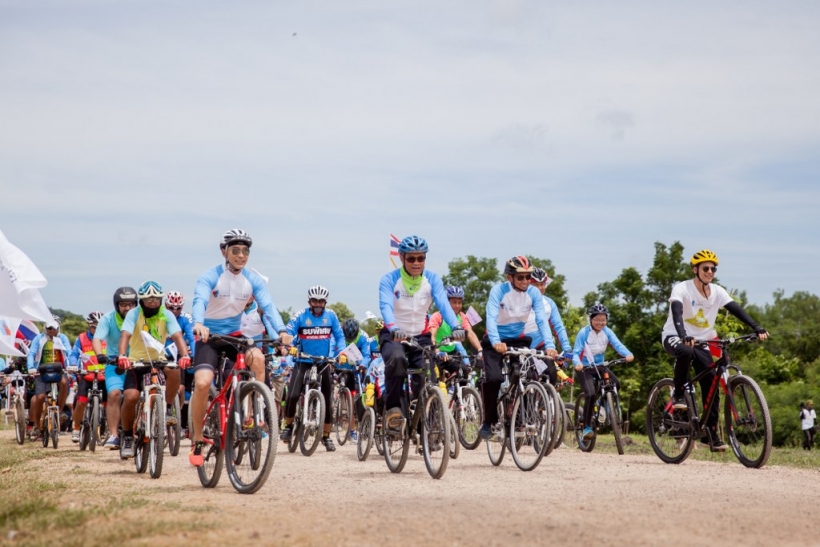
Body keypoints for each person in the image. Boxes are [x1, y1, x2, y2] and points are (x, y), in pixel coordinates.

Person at [189, 229, 292, 467]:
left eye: (245, 251)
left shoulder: (252, 280)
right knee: (203, 383)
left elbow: (269, 306)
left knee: (258, 358)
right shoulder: (209, 277)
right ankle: (197, 439)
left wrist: (282, 330)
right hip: (208, 336)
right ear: (224, 252)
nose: (241, 255)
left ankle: (252, 413)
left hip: (235, 337)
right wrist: (198, 323)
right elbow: (199, 300)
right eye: (235, 250)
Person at [661, 249, 768, 451]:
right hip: (675, 336)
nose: (710, 272)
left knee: (711, 381)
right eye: (706, 268)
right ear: (695, 269)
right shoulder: (682, 288)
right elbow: (676, 312)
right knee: (685, 351)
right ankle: (679, 394)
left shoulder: (718, 291)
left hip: (701, 341)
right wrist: (683, 334)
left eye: (713, 269)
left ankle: (710, 433)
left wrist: (756, 327)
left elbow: (736, 309)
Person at [377, 235, 465, 433]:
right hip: (394, 334)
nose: (416, 263)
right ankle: (393, 409)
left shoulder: (432, 279)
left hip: (420, 335)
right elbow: (386, 306)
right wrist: (393, 328)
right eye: (411, 258)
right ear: (402, 258)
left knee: (426, 373)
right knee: (397, 360)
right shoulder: (389, 280)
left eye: (421, 258)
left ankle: (425, 421)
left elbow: (443, 304)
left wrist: (455, 326)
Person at [478, 256, 557, 440]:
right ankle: (489, 421)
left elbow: (541, 320)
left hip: (518, 340)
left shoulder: (534, 293)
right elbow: (491, 317)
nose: (525, 281)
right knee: (494, 378)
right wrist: (496, 341)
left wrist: (550, 345)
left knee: (529, 375)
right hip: (495, 340)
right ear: (509, 277)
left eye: (528, 277)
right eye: (520, 277)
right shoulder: (498, 291)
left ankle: (519, 417)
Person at [116, 280, 191, 458]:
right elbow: (125, 335)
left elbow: (177, 336)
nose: (152, 302)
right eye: (148, 299)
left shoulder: (166, 314)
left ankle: (167, 408)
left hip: (158, 360)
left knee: (175, 371)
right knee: (130, 397)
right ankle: (127, 436)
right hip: (136, 362)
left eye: (156, 299)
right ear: (141, 300)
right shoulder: (134, 313)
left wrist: (184, 355)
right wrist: (122, 356)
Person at [280, 285, 347, 451]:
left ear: (325, 302)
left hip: (323, 362)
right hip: (303, 360)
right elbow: (289, 331)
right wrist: (290, 346)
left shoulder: (331, 316)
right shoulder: (300, 315)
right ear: (309, 301)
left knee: (328, 398)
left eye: (321, 301)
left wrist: (342, 352)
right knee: (293, 394)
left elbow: (339, 336)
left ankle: (326, 436)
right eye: (315, 301)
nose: (318, 304)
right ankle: (288, 426)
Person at [572, 303, 634, 440]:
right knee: (590, 394)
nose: (600, 323)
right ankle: (586, 427)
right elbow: (576, 352)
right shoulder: (584, 333)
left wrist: (628, 354)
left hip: (600, 366)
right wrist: (577, 363)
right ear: (591, 319)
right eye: (597, 319)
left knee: (616, 384)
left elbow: (617, 344)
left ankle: (603, 404)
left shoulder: (607, 331)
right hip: (584, 368)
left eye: (603, 319)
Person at [92, 286, 138, 449]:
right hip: (115, 362)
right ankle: (113, 435)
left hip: (137, 362)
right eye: (123, 304)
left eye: (131, 304)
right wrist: (100, 355)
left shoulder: (141, 317)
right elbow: (97, 339)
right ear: (116, 305)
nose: (127, 308)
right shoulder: (108, 319)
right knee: (114, 394)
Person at [27, 315, 72, 440]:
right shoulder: (38, 338)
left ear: (58, 328)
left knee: (64, 382)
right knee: (40, 397)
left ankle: (60, 410)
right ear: (45, 328)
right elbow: (31, 354)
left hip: (59, 370)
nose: (52, 331)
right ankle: (37, 425)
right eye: (49, 328)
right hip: (41, 371)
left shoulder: (62, 338)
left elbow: (69, 352)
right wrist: (31, 367)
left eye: (54, 328)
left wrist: (71, 365)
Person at [525, 267, 573, 385]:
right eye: (535, 285)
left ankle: (546, 397)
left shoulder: (549, 303)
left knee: (552, 375)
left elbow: (558, 327)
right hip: (522, 345)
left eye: (542, 284)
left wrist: (567, 349)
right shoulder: (521, 301)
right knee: (528, 376)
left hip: (541, 345)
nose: (540, 288)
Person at [68, 311, 106, 443]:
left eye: (100, 326)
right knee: (81, 402)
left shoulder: (108, 337)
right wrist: (73, 364)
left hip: (104, 375)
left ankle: (108, 429)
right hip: (87, 375)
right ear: (88, 325)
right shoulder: (81, 338)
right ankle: (76, 428)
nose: (97, 329)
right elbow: (73, 354)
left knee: (111, 401)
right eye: (94, 326)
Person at [428, 285, 482, 373]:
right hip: (437, 352)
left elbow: (470, 333)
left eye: (459, 302)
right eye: (454, 302)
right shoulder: (437, 316)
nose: (457, 306)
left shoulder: (462, 317)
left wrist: (480, 350)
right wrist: (437, 352)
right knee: (434, 377)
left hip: (451, 353)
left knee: (465, 371)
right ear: (446, 303)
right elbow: (431, 336)